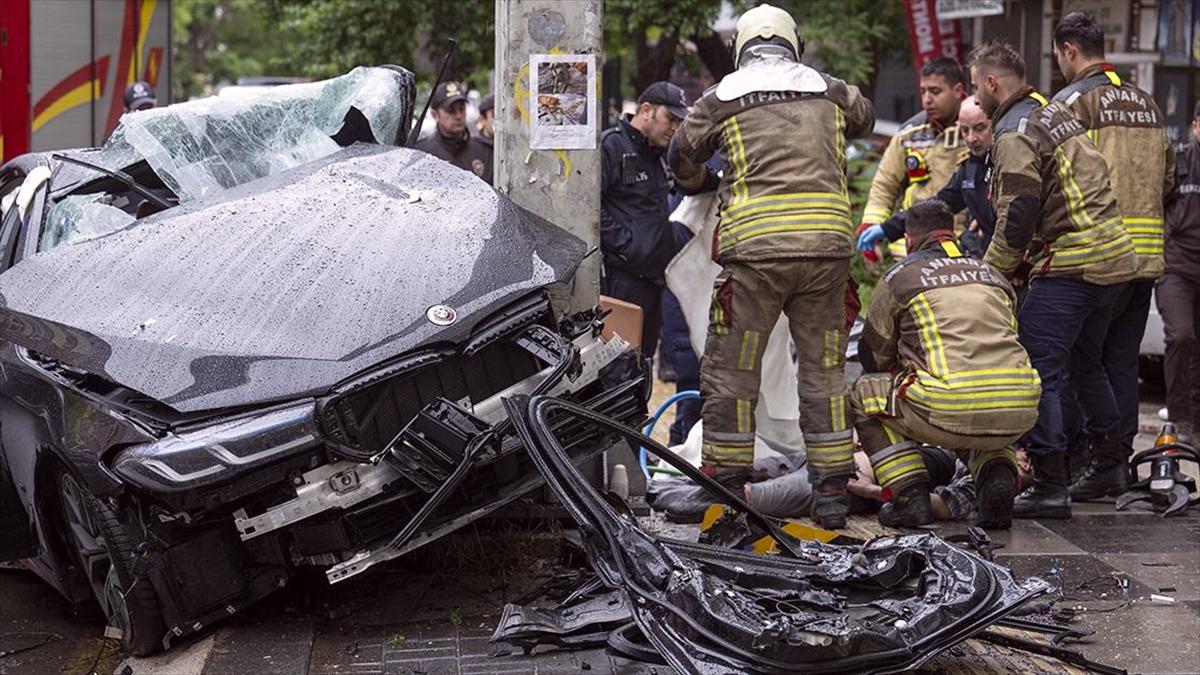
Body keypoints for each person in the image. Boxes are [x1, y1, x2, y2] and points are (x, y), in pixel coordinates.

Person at [669, 3, 874, 528]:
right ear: (794, 44)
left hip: (754, 254)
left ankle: (726, 487)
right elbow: (865, 117)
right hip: (826, 252)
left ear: (740, 47)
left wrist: (698, 186)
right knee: (824, 373)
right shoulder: (829, 89)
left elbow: (682, 157)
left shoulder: (722, 97)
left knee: (734, 374)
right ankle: (831, 492)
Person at [971, 41, 1136, 520]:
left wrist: (992, 273)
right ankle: (1110, 463)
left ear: (992, 83)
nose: (977, 97)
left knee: (1035, 367)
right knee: (1086, 363)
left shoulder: (1015, 130)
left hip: (1073, 264)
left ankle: (1050, 483)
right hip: (1112, 259)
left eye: (978, 86)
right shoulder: (1051, 111)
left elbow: (1018, 210)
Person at [845, 200, 1039, 528]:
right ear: (953, 232)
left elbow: (874, 356)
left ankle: (909, 496)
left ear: (908, 239)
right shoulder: (992, 275)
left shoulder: (901, 277)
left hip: (950, 403)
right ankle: (997, 475)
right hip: (1020, 404)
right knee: (984, 395)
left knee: (864, 392)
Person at [1050, 12, 1176, 501]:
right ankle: (1118, 462)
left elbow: (1058, 179)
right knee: (1120, 363)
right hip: (1145, 256)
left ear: (1067, 50)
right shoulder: (1148, 104)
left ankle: (1095, 459)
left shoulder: (1075, 101)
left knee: (1081, 362)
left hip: (1098, 255)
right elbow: (1167, 181)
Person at [600, 81, 690, 384]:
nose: (675, 128)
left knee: (640, 371)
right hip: (622, 281)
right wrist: (626, 245)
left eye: (680, 122)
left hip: (653, 281)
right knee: (617, 371)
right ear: (647, 111)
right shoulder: (612, 146)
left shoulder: (658, 156)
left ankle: (635, 430)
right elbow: (588, 208)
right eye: (671, 119)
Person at [858, 57, 968, 261]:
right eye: (923, 91)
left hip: (963, 246)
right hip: (911, 249)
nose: (927, 99)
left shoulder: (975, 130)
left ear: (957, 90)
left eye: (935, 91)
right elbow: (884, 186)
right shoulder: (909, 134)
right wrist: (871, 228)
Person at [858, 96, 996, 256]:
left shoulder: (1005, 160)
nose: (971, 138)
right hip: (993, 258)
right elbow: (937, 207)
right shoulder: (970, 167)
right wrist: (886, 229)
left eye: (980, 128)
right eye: (965, 130)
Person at [1159, 102, 1200, 442]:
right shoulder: (1181, 162)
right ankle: (1181, 416)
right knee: (1182, 335)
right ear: (1195, 125)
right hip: (1176, 267)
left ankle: (1196, 419)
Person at [415, 82, 493, 184]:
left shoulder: (484, 152)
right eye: (451, 111)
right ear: (435, 114)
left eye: (462, 109)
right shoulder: (421, 154)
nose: (458, 116)